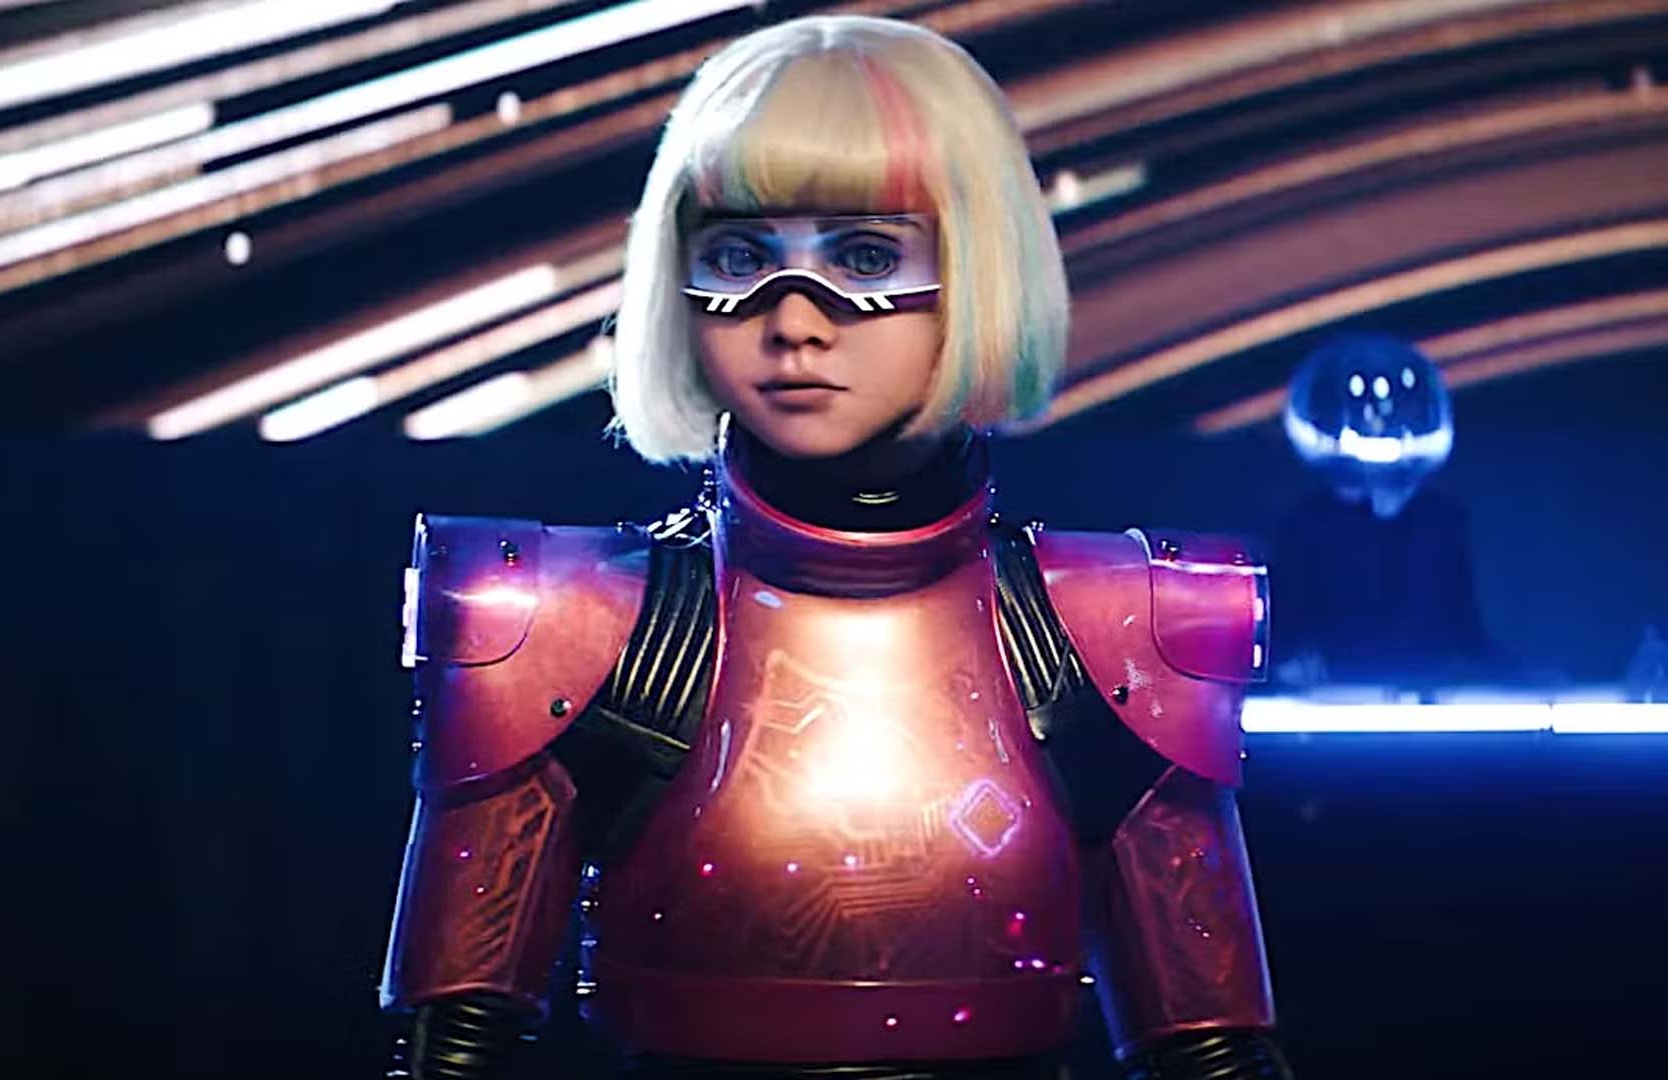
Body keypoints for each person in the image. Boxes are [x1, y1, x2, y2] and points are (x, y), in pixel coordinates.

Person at [380, 16, 1289, 1079]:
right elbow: (457, 1042)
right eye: (739, 257)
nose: (795, 321)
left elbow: (1210, 1044)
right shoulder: (565, 620)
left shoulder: (1117, 625)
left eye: (863, 256)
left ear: (978, 266)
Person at [1269, 332, 1492, 685]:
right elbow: (1287, 633)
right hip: (1334, 696)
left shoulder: (1440, 521)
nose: (1376, 421)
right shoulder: (1304, 526)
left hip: (1424, 693)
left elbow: (1464, 631)